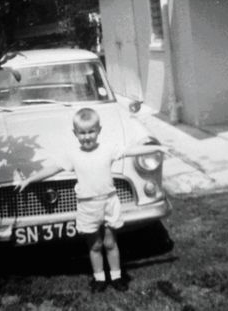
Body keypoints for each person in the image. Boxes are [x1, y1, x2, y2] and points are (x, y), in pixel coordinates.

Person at [15, 107, 168, 292]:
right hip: (88, 206)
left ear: (99, 130)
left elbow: (132, 150)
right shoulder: (72, 154)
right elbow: (53, 168)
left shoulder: (108, 149)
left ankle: (117, 276)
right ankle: (99, 278)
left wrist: (157, 147)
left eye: (91, 131)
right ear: (75, 133)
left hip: (109, 203)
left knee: (111, 243)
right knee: (95, 245)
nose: (87, 137)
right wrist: (30, 179)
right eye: (82, 133)